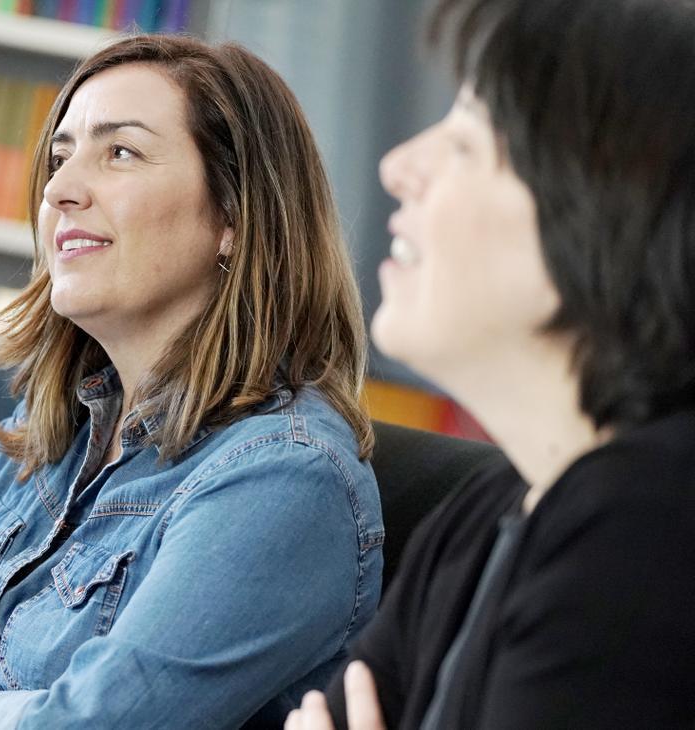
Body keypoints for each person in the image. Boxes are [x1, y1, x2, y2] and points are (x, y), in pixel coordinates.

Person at [0, 34, 384, 729]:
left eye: (120, 153)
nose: (59, 190)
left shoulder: (287, 476)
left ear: (233, 214)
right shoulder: (56, 422)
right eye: (58, 157)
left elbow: (91, 726)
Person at [286, 0, 695, 727]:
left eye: (469, 142)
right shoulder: (492, 510)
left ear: (596, 210)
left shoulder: (647, 532)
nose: (398, 165)